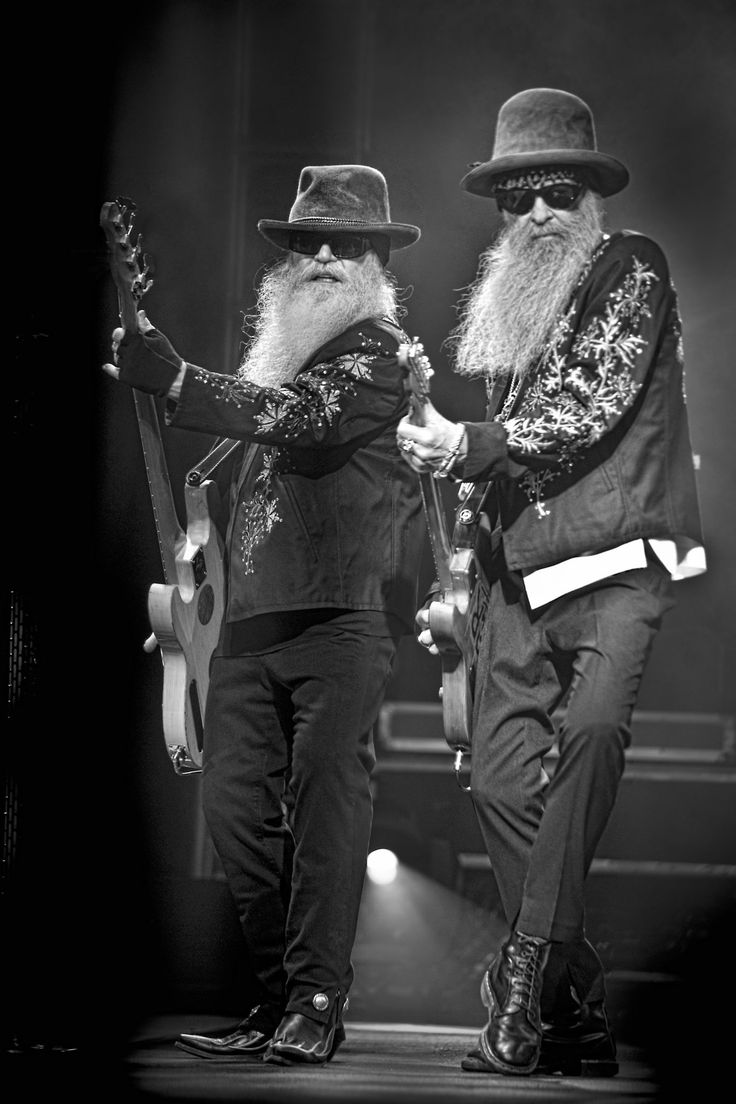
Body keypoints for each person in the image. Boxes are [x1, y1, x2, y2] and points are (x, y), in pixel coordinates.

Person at [396, 88, 706, 1078]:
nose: (535, 213)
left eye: (555, 194)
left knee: (592, 732)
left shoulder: (634, 269)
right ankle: (572, 1000)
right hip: (518, 577)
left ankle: (522, 986)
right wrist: (457, 571)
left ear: (590, 199)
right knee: (490, 774)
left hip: (617, 563)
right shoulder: (507, 317)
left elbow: (590, 404)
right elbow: (498, 471)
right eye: (517, 199)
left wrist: (467, 442)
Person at [103, 164, 425, 1064]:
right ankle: (277, 996)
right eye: (307, 244)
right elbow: (248, 488)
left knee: (324, 812)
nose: (323, 257)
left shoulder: (379, 355)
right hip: (246, 631)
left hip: (339, 622)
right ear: (282, 267)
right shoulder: (275, 363)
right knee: (236, 809)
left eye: (345, 244)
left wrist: (178, 384)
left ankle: (318, 998)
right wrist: (194, 609)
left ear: (374, 262)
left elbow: (307, 419)